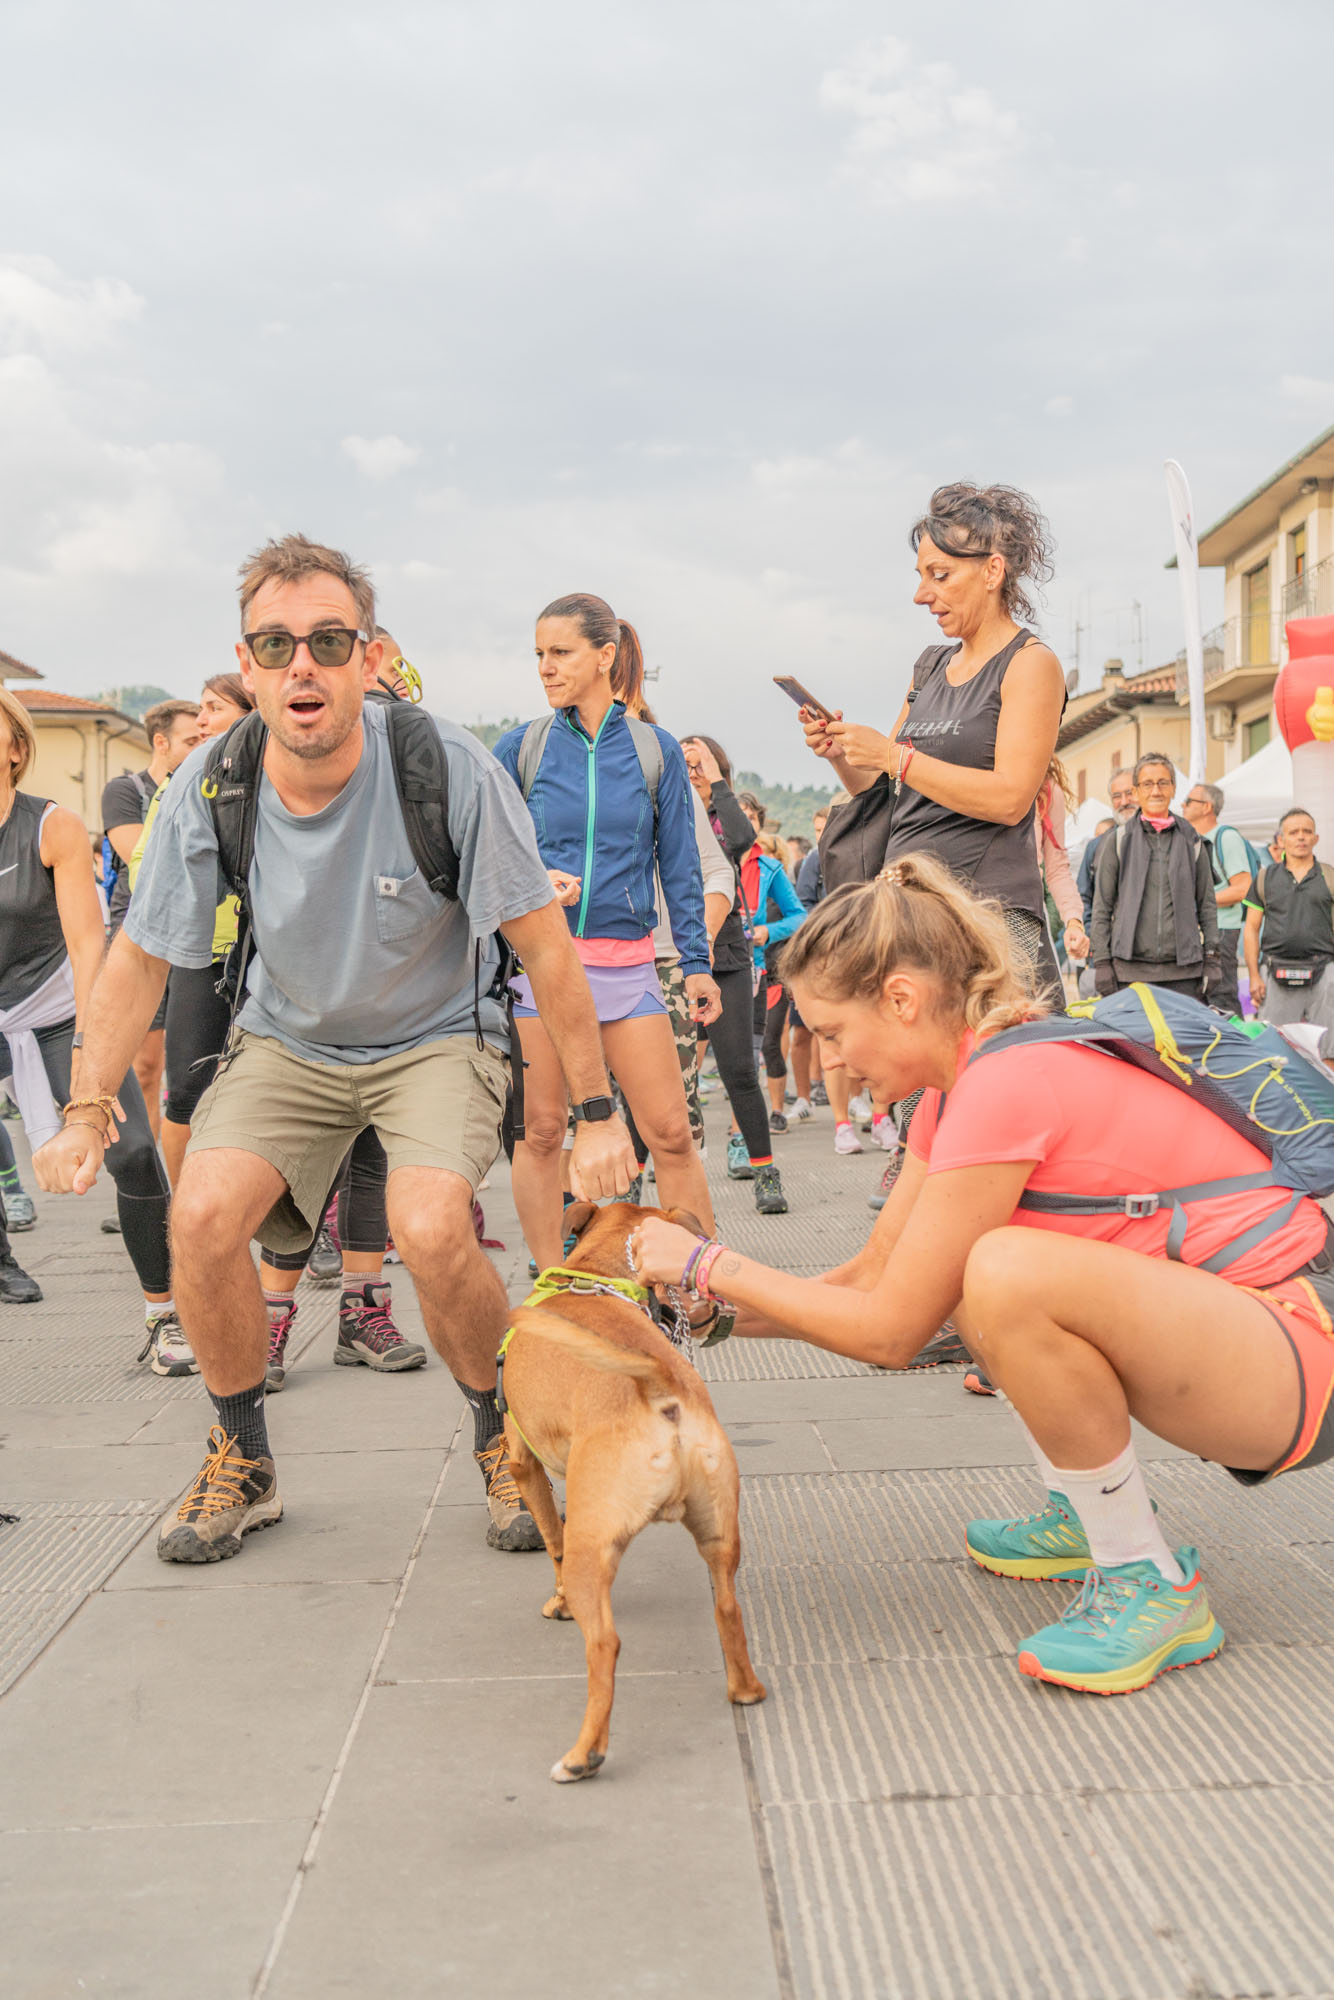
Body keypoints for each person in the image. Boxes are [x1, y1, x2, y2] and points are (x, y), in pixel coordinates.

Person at [35, 534, 637, 1564]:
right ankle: (243, 1455)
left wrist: (594, 1114)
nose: (302, 664)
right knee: (201, 1215)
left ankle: (506, 1436)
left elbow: (544, 947)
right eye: (276, 645)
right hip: (287, 1041)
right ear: (249, 662)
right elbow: (136, 959)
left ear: (369, 656)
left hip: (435, 1036)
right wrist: (87, 1108)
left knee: (430, 1224)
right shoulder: (214, 779)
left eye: (327, 640)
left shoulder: (445, 764)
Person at [628, 854, 1334, 1695]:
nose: (833, 1059)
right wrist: (699, 1310)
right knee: (968, 1270)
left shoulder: (1006, 1082)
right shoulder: (956, 1085)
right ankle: (1086, 1508)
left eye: (833, 1032)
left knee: (1000, 1268)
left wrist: (708, 1261)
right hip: (1249, 1337)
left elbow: (893, 1333)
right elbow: (874, 1279)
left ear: (901, 998)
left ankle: (1146, 1577)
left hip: (1302, 1347)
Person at [495, 596, 721, 1273]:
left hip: (630, 969)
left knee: (671, 1133)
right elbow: (490, 854)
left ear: (604, 656)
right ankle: (550, 1277)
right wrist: (537, 880)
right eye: (539, 654)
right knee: (542, 1133)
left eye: (560, 653)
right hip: (542, 968)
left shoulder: (655, 750)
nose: (545, 667)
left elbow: (680, 865)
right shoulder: (522, 748)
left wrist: (697, 962)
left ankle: (697, 1281)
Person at [801, 481, 1067, 1001]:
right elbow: (884, 790)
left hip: (987, 921)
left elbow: (1011, 799)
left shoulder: (1030, 663)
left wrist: (893, 756)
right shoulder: (930, 666)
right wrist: (843, 754)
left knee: (989, 1054)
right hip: (909, 914)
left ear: (992, 571)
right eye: (921, 576)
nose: (922, 595)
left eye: (940, 575)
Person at [0, 688, 178, 1345]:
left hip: (53, 1010)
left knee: (132, 1150)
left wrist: (86, 1052)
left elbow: (86, 947)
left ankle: (165, 1312)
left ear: (16, 749)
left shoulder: (52, 826)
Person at [681, 734, 789, 1214]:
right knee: (666, 1076)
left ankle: (765, 1172)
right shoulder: (668, 808)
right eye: (684, 763)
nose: (691, 771)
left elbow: (743, 840)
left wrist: (716, 782)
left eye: (699, 763)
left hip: (726, 953)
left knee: (740, 1071)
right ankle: (637, 1183)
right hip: (670, 952)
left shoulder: (721, 817)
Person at [102, 700, 203, 1139]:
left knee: (185, 1075)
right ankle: (150, 1167)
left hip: (195, 939)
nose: (201, 746)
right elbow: (141, 861)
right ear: (161, 742)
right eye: (191, 740)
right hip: (141, 938)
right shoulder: (126, 791)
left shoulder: (208, 785)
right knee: (145, 1067)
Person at [1090, 753, 1220, 1001]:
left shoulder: (1192, 840)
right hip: (1129, 972)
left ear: (1173, 788)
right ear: (1136, 791)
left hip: (1185, 973)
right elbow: (1101, 908)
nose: (1156, 791)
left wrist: (1212, 957)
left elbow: (1207, 905)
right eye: (1147, 784)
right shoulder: (1117, 841)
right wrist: (1102, 962)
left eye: (1163, 783)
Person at [1243, 808, 1334, 1032]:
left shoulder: (1330, 876)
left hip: (1324, 971)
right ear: (1281, 840)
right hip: (1275, 972)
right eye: (1293, 832)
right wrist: (1254, 976)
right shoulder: (1265, 878)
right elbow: (1251, 929)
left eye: (1307, 831)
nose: (1301, 837)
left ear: (1316, 838)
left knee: (1327, 1045)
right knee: (1277, 1043)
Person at [745, 829, 806, 1133]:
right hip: (742, 972)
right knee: (745, 1049)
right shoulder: (737, 880)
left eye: (763, 849)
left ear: (775, 854)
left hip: (775, 974)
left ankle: (777, 1111)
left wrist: (769, 931)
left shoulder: (777, 883)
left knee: (770, 1043)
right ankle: (742, 1119)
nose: (756, 853)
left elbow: (800, 918)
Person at [1183, 780, 1256, 1017]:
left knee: (1222, 998)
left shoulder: (1226, 837)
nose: (1182, 805)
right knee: (1199, 1002)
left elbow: (1243, 889)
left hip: (1221, 931)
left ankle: (1234, 1039)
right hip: (1197, 931)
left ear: (1207, 807)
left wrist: (1198, 902)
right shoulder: (1190, 840)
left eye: (1189, 801)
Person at [1035, 756, 1086, 977]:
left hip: (1025, 915)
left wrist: (1074, 922)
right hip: (970, 915)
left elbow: (1056, 868)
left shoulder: (1046, 790)